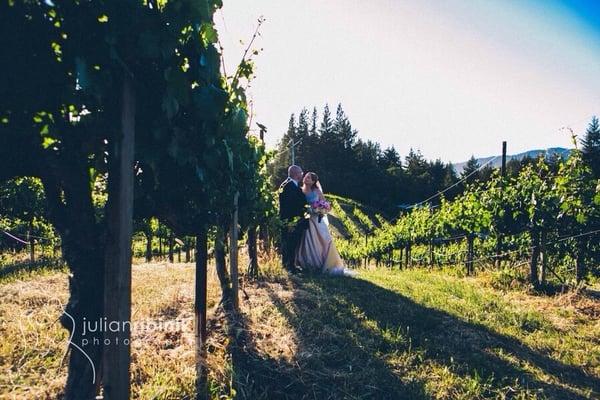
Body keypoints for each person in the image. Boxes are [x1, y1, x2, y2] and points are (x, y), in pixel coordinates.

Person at [296, 172, 356, 276]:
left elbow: (325, 204)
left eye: (309, 178)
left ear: (313, 181)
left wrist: (320, 209)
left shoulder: (317, 191)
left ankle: (322, 263)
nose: (306, 178)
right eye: (305, 177)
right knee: (306, 240)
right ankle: (306, 263)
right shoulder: (300, 190)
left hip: (316, 220)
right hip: (305, 219)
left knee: (323, 240)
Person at [278, 165, 309, 274]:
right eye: (301, 173)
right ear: (296, 174)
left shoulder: (289, 184)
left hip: (290, 220)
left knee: (290, 243)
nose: (302, 174)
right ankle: (289, 266)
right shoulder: (289, 186)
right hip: (291, 220)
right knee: (290, 243)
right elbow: (292, 205)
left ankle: (289, 265)